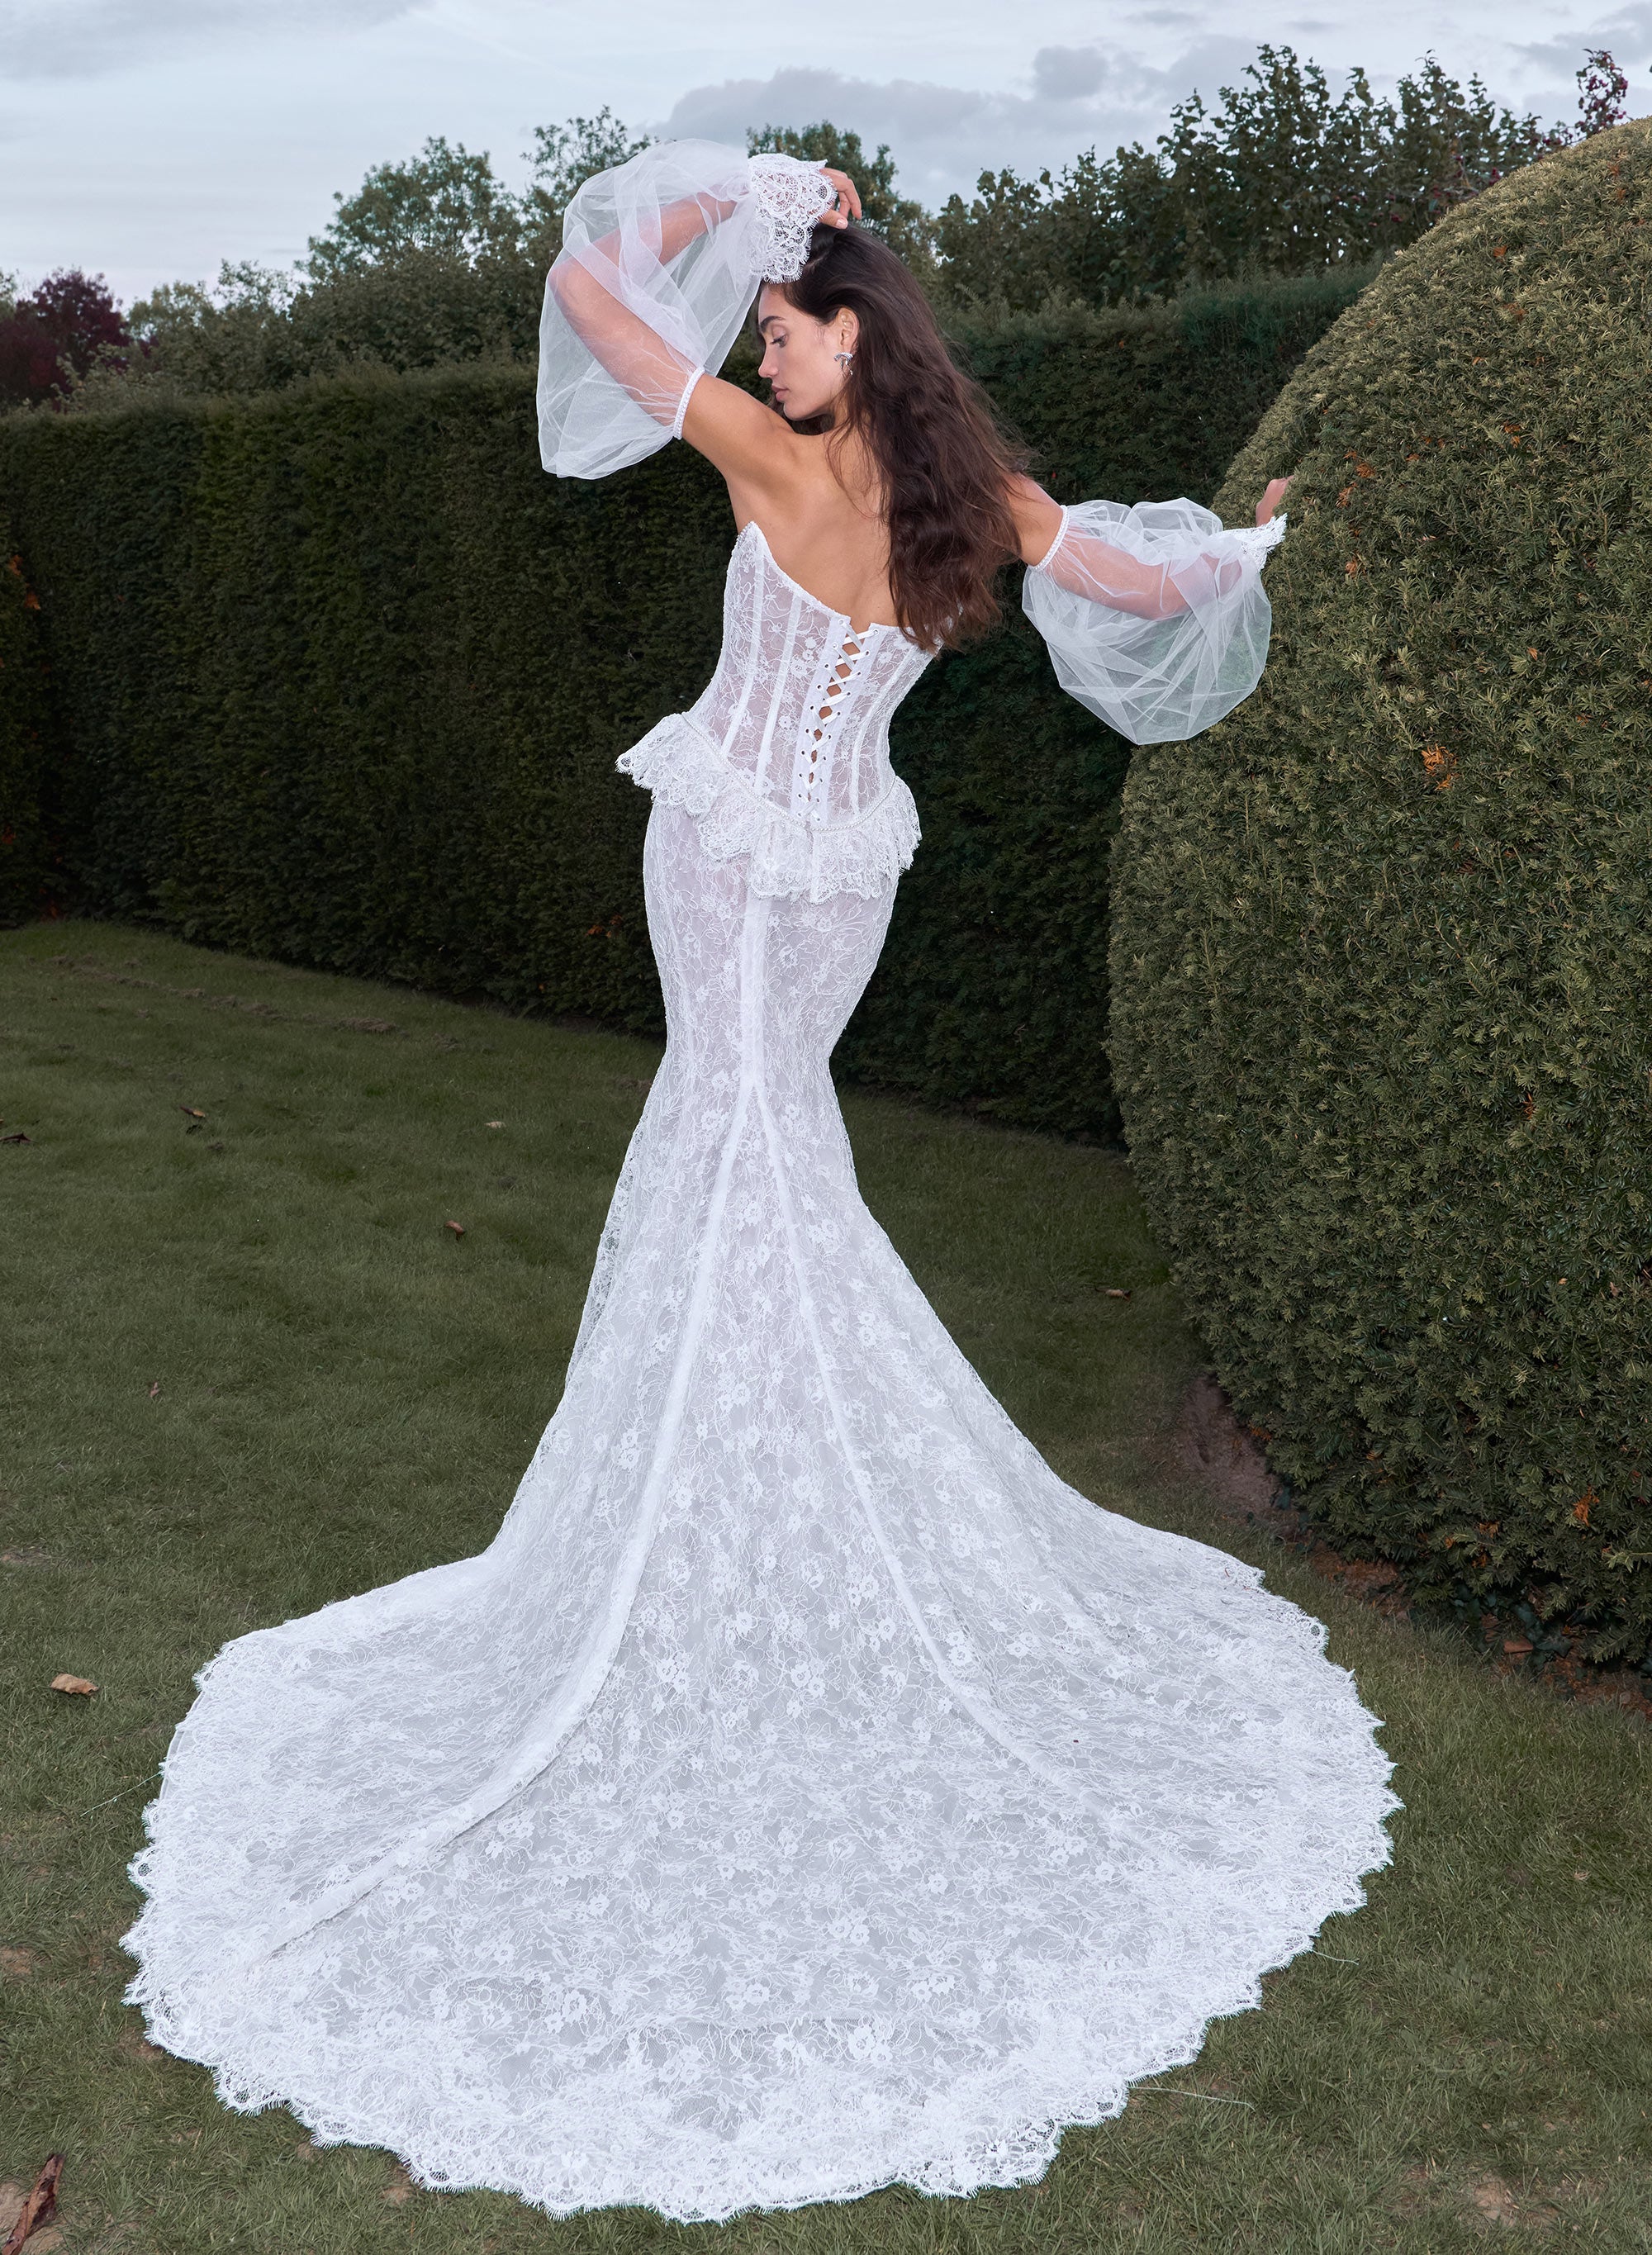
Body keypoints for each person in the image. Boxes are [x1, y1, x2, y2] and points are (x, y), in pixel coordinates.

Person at [123, 143, 1395, 2226]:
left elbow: (584, 282)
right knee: (756, 1154)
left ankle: (724, 1508)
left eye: (784, 327)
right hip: (843, 876)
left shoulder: (756, 453)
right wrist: (1243, 554)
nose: (757, 353)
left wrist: (708, 180)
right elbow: (1140, 589)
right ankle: (753, 1476)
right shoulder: (966, 503)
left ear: (849, 336)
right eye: (763, 334)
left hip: (728, 852)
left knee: (733, 1160)